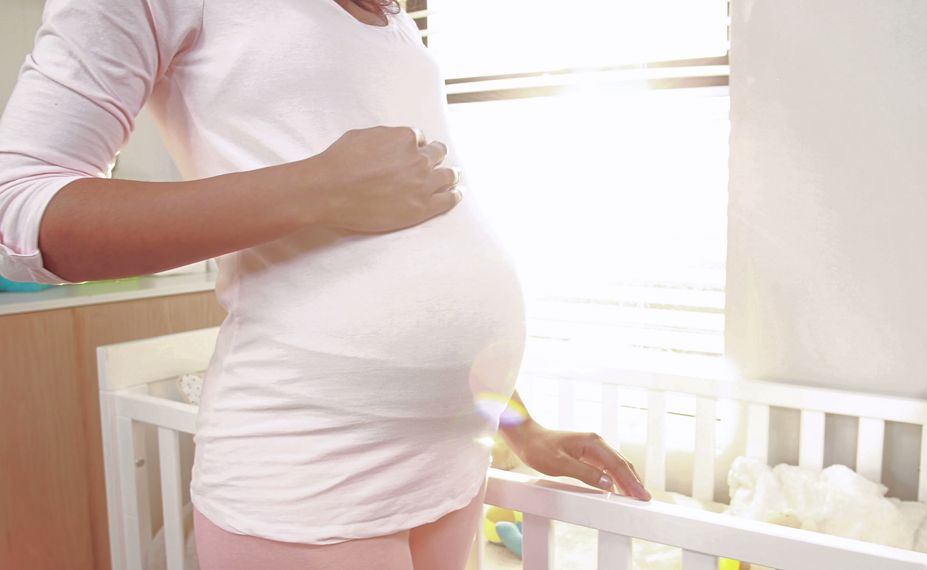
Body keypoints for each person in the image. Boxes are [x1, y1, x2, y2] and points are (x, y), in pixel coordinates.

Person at [0, 0, 651, 568]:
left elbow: (428, 235)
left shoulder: (399, 28)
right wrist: (319, 188)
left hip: (449, 470)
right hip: (314, 479)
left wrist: (519, 426)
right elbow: (20, 210)